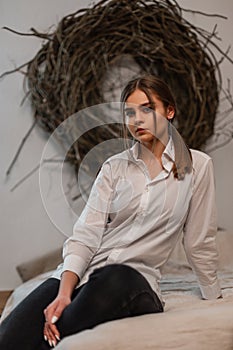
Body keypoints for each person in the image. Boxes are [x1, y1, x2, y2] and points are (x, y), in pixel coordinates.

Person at [0, 75, 222, 349]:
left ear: (170, 111)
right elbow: (86, 235)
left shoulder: (198, 166)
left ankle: (53, 336)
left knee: (116, 275)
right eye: (130, 112)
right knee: (7, 337)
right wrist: (63, 293)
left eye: (148, 109)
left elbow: (198, 240)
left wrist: (213, 294)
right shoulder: (114, 167)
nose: (137, 119)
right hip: (86, 276)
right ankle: (59, 320)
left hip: (134, 282)